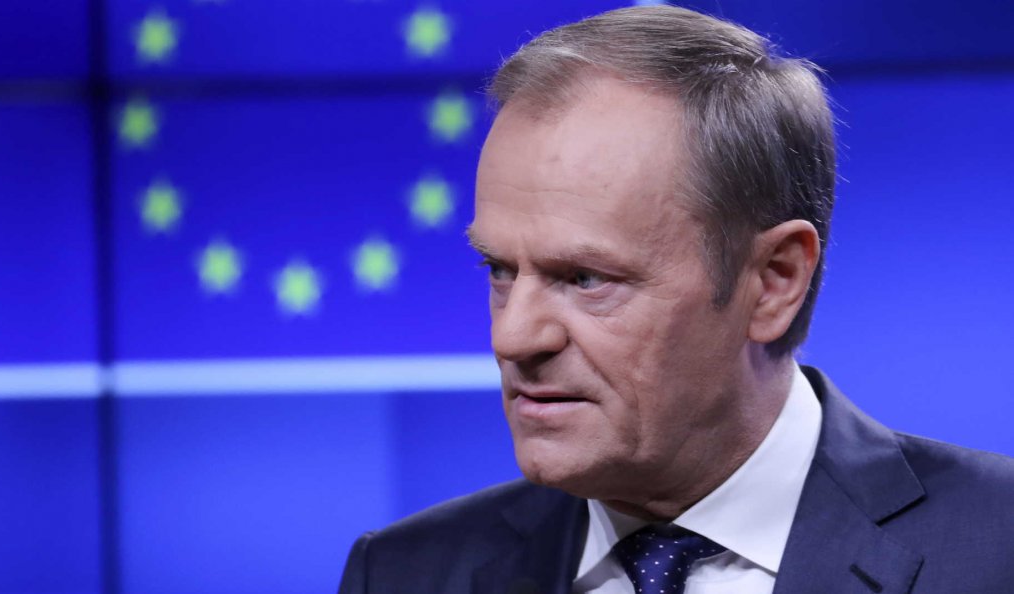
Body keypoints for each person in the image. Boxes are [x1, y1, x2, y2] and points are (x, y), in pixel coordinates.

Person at [339, 6, 1014, 593]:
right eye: (500, 270)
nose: (512, 338)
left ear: (774, 280)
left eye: (584, 278)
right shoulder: (404, 573)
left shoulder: (996, 548)